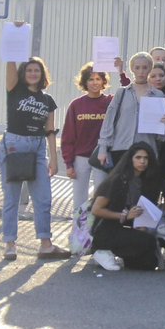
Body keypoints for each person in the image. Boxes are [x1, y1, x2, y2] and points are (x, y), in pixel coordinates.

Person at [0, 40, 68, 261]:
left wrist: (53, 159)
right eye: (28, 70)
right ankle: (10, 244)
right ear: (23, 73)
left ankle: (45, 244)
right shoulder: (14, 90)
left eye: (36, 70)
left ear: (42, 74)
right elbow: (10, 63)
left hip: (38, 148)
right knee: (12, 197)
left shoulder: (47, 100)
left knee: (43, 198)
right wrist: (16, 34)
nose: (32, 73)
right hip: (14, 145)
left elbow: (50, 130)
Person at [60, 61, 112, 252]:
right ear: (84, 82)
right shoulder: (76, 105)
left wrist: (121, 70)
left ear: (104, 81)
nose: (95, 83)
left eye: (98, 79)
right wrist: (68, 162)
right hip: (80, 158)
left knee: (100, 198)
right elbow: (68, 136)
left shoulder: (110, 102)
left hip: (101, 158)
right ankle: (79, 241)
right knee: (80, 200)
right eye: (91, 79)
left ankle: (97, 239)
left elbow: (128, 91)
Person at [88, 143, 164, 271]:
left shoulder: (145, 181)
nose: (143, 161)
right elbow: (96, 210)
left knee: (149, 264)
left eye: (146, 158)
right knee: (148, 241)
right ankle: (101, 250)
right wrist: (125, 215)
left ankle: (120, 253)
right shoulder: (118, 179)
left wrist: (141, 224)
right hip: (106, 230)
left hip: (126, 228)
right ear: (130, 159)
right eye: (138, 157)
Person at [94, 51, 165, 168]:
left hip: (146, 151)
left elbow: (160, 136)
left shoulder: (158, 95)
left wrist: (163, 123)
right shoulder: (122, 93)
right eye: (137, 68)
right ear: (132, 69)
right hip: (121, 148)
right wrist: (103, 148)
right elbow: (109, 120)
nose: (141, 72)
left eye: (145, 68)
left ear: (150, 69)